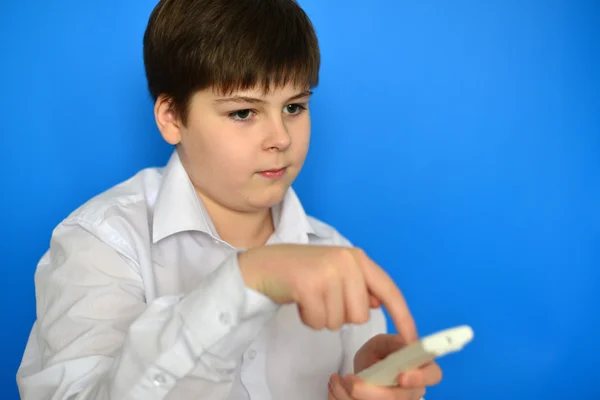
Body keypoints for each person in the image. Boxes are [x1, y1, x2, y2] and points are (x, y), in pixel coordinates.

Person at [16, 0, 442, 399]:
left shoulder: (334, 253)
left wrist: (369, 389)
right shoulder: (101, 242)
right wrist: (246, 279)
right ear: (172, 117)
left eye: (294, 107)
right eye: (243, 113)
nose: (280, 138)